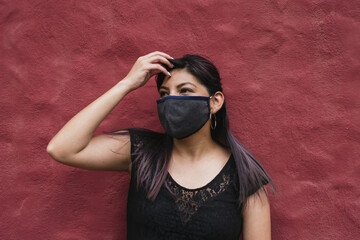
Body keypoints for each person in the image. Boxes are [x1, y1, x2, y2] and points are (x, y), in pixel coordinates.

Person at [47, 51, 276, 240]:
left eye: (185, 91)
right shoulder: (141, 151)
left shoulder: (246, 177)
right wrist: (126, 84)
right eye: (165, 93)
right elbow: (62, 149)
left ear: (215, 102)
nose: (171, 100)